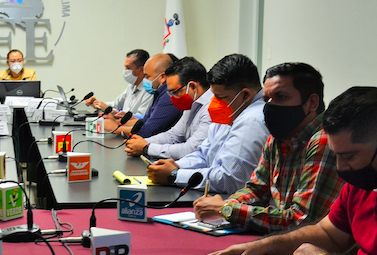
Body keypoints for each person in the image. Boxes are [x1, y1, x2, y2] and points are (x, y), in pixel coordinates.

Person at [196, 87, 377, 255]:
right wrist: (264, 247)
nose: (341, 167)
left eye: (349, 156)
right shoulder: (366, 179)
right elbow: (328, 233)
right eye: (337, 156)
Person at [193, 63, 344, 232]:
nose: (271, 106)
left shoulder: (325, 141)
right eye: (267, 99)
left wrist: (227, 210)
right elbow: (256, 190)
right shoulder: (279, 137)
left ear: (312, 103)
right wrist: (226, 205)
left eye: (281, 97)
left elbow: (302, 221)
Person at [147, 54, 269, 193]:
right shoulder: (233, 110)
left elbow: (229, 179)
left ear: (245, 95)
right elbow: (204, 154)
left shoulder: (252, 121)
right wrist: (176, 166)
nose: (214, 103)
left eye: (220, 97)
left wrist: (175, 175)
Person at [125, 56, 213, 160]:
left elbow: (191, 149)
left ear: (192, 86)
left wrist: (146, 148)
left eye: (174, 92)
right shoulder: (191, 104)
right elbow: (173, 135)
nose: (172, 97)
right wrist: (142, 142)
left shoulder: (210, 108)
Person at [108, 53, 181, 138]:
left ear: (162, 77)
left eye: (147, 76)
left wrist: (116, 128)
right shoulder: (159, 93)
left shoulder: (169, 96)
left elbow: (148, 131)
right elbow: (145, 121)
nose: (144, 80)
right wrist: (116, 122)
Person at [85, 49, 153, 117]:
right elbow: (116, 104)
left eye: (128, 67)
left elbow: (141, 118)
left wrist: (108, 110)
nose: (125, 71)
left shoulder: (149, 90)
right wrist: (98, 104)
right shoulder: (132, 85)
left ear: (141, 70)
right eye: (125, 67)